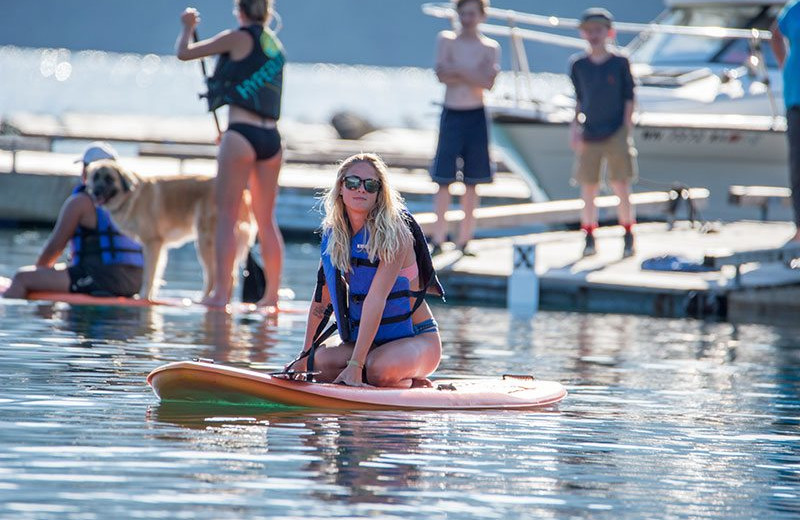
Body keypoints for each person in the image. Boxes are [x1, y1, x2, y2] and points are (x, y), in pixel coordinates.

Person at [286, 153, 445, 388]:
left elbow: (376, 300)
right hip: (370, 343)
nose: (361, 189)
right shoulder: (334, 236)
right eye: (353, 182)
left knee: (377, 370)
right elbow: (321, 305)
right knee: (317, 364)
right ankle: (372, 367)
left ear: (380, 193)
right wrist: (304, 357)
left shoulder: (396, 234)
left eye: (370, 185)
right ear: (341, 187)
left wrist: (355, 365)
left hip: (417, 337)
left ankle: (410, 383)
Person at [176, 0, 286, 309]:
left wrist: (187, 28)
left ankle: (221, 295)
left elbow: (185, 53)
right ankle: (271, 297)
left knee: (227, 218)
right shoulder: (273, 43)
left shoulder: (237, 36)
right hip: (271, 137)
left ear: (240, 10)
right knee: (266, 221)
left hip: (240, 134)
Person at [3, 142, 143, 299]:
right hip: (137, 281)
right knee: (57, 272)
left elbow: (55, 247)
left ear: (86, 172)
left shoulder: (80, 202)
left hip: (104, 278)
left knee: (22, 278)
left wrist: (39, 275)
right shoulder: (132, 200)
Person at [429, 0, 500, 256]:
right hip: (452, 113)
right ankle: (438, 239)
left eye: (472, 14)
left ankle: (464, 240)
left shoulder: (490, 47)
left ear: (482, 16)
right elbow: (441, 75)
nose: (467, 18)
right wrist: (473, 73)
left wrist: (457, 69)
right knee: (443, 178)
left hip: (476, 114)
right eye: (463, 13)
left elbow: (487, 83)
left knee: (473, 181)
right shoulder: (446, 40)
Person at [569, 8, 638, 257]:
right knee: (588, 186)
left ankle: (628, 234)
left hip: (616, 131)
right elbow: (579, 99)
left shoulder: (620, 62)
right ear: (582, 33)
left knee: (621, 184)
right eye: (589, 31)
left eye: (598, 30)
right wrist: (575, 128)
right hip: (590, 132)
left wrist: (625, 128)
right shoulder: (578, 65)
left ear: (609, 32)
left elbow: (629, 97)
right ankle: (589, 235)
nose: (594, 35)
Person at [771, 2, 800, 243]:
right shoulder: (795, 9)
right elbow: (775, 33)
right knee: (798, 166)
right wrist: (785, 66)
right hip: (796, 97)